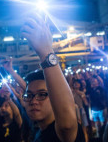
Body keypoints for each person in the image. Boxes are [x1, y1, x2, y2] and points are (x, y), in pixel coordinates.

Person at [20, 14, 85, 142]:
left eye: (42, 94)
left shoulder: (63, 133)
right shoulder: (39, 132)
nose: (33, 101)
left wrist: (46, 52)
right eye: (29, 95)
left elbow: (66, 126)